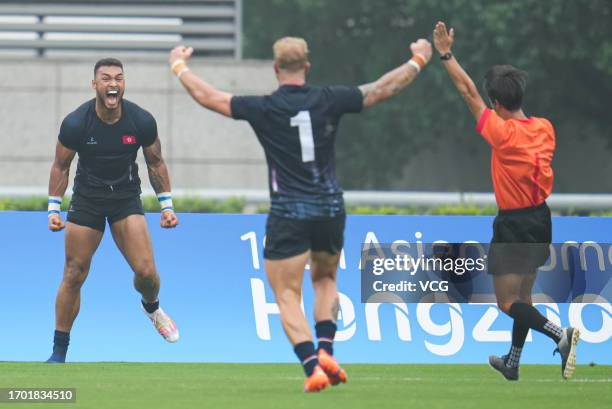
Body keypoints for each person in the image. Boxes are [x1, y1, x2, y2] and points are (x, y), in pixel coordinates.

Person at [168, 36, 432, 391]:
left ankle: (312, 367)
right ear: (307, 67)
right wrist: (418, 59)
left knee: (288, 294)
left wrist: (179, 65)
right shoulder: (331, 99)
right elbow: (382, 89)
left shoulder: (262, 107)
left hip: (288, 210)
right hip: (330, 206)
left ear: (275, 69)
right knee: (325, 281)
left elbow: (210, 97)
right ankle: (326, 349)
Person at [433, 21, 579, 380]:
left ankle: (560, 335)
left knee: (506, 302)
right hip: (541, 218)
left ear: (496, 102)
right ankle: (512, 362)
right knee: (524, 297)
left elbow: (467, 91)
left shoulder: (501, 133)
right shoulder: (545, 128)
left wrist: (446, 54)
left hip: (513, 221)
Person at [46, 58, 180, 363]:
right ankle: (58, 352)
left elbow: (155, 163)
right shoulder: (76, 123)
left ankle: (152, 307)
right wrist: (54, 209)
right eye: (106, 79)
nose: (113, 84)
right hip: (87, 199)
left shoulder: (141, 120)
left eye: (118, 78)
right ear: (95, 85)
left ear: (124, 84)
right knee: (73, 273)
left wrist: (167, 206)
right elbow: (61, 166)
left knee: (147, 273)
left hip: (125, 198)